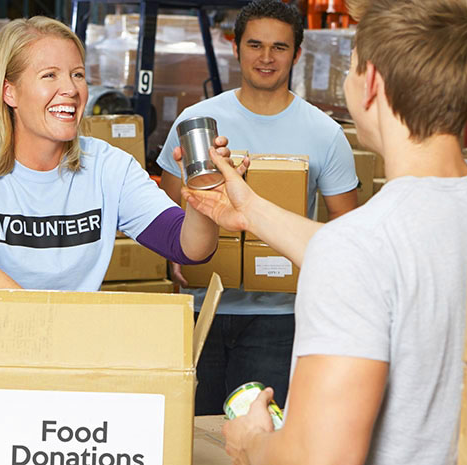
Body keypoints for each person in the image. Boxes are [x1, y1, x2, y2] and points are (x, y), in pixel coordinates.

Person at [181, 0, 467, 463]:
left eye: (352, 66)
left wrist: (251, 442)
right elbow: (370, 256)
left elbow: (319, 456)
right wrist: (249, 210)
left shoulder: (360, 246)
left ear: (372, 84)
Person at [157, 0, 359, 414]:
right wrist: (172, 258)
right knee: (189, 435)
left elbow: (346, 223)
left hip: (279, 317)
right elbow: (168, 209)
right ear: (236, 47)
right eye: (255, 45)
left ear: (297, 54)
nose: (266, 58)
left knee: (261, 436)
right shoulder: (198, 123)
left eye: (280, 48)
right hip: (200, 308)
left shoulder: (324, 133)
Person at [0, 16, 230, 290]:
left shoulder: (109, 167)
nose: (71, 89)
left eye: (77, 74)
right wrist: (47, 326)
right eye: (50, 75)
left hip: (77, 338)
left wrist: (204, 199)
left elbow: (187, 247)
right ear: (9, 92)